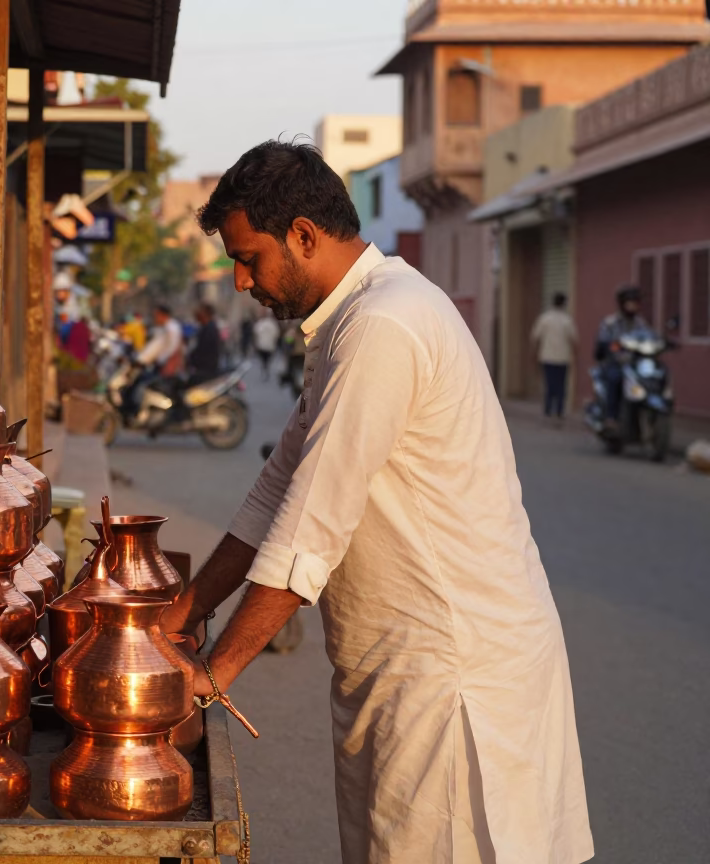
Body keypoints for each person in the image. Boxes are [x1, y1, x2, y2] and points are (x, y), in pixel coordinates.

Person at [160, 141, 592, 864]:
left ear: (303, 235)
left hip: (451, 682)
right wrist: (180, 614)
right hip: (402, 676)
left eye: (248, 258)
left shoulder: (381, 325)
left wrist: (209, 679)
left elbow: (309, 529)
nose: (240, 282)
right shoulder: (348, 323)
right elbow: (277, 490)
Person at [594, 285, 650, 426]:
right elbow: (604, 342)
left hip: (636, 363)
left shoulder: (641, 323)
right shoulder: (610, 323)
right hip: (617, 363)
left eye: (635, 303)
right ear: (622, 304)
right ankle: (611, 417)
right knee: (615, 378)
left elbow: (648, 339)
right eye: (629, 303)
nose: (632, 307)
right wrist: (614, 347)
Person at [530, 292, 577, 421]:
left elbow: (536, 338)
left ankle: (548, 410)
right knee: (561, 385)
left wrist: (534, 354)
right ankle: (560, 411)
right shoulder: (567, 320)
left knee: (549, 384)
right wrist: (575, 356)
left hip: (547, 357)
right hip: (563, 358)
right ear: (564, 304)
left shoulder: (545, 319)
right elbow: (574, 340)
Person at [188, 303, 223, 383]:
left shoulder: (210, 329)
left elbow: (203, 351)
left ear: (205, 313)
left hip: (206, 371)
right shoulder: (205, 327)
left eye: (200, 310)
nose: (197, 312)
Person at [251, 311, 280, 380]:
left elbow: (255, 333)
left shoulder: (260, 323)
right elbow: (277, 335)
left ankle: (264, 367)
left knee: (263, 359)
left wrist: (256, 343)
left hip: (261, 345)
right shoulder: (273, 324)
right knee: (267, 359)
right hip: (270, 346)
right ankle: (266, 367)